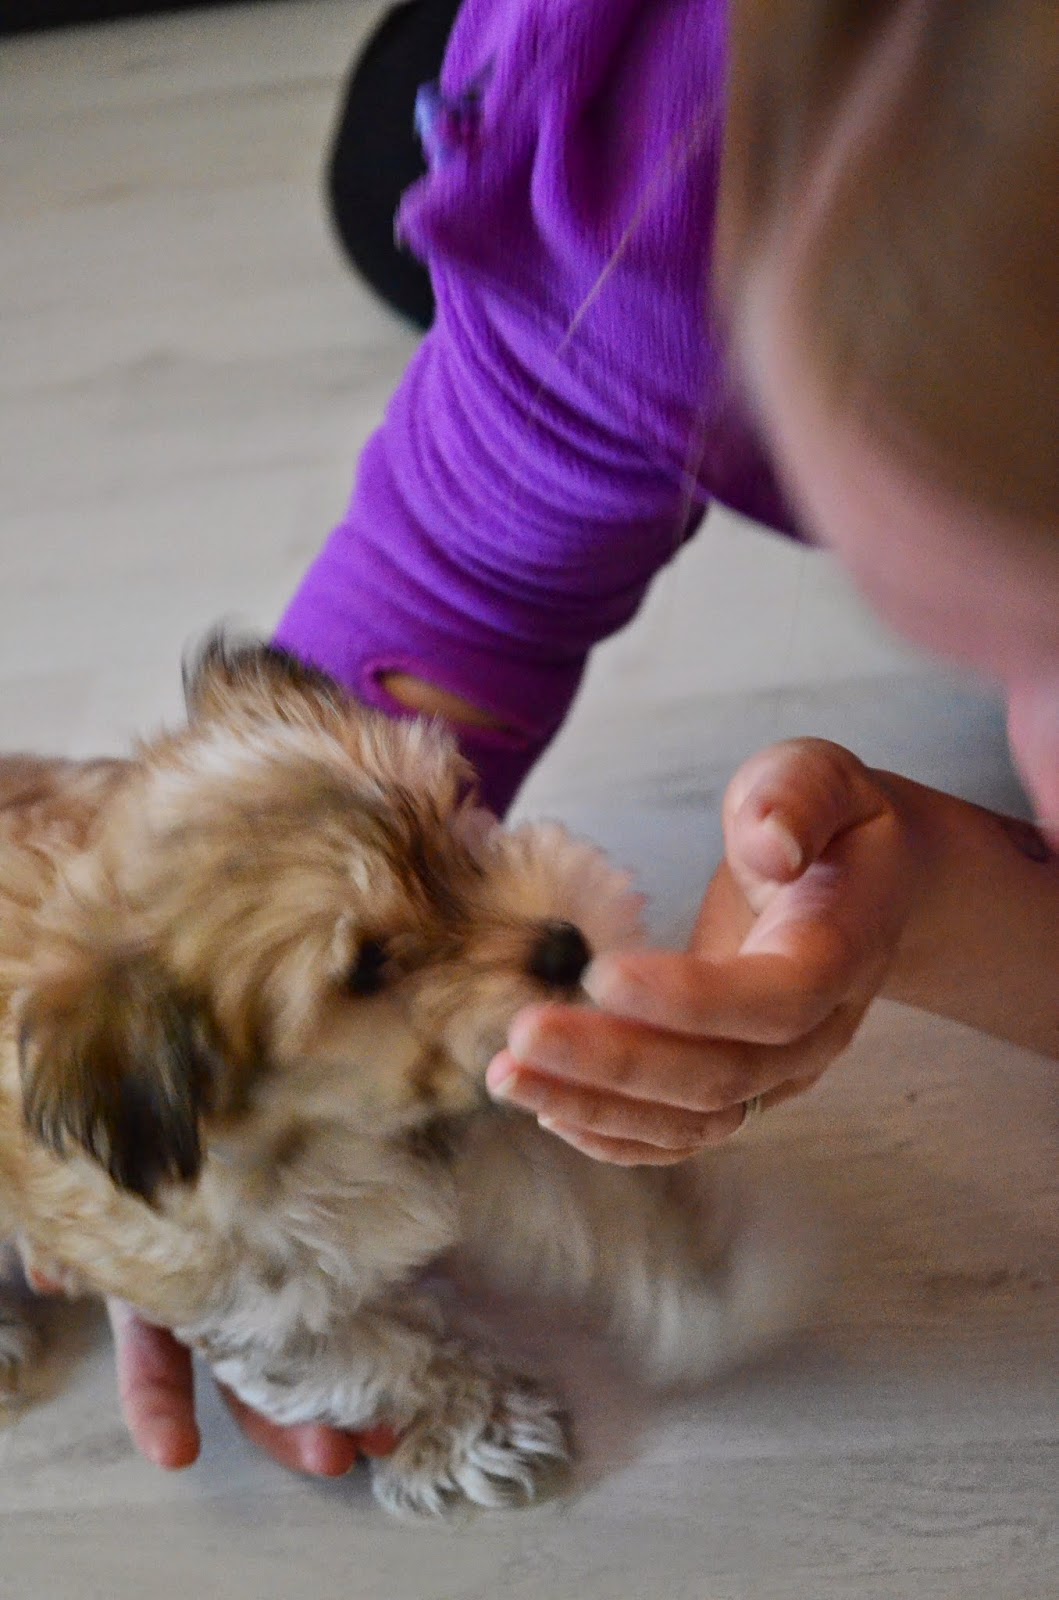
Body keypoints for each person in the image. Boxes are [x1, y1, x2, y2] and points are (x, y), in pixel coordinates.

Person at [100, 0, 1058, 1473]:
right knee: (394, 188)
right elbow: (469, 567)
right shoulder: (634, 175)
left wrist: (951, 898)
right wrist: (189, 1032)